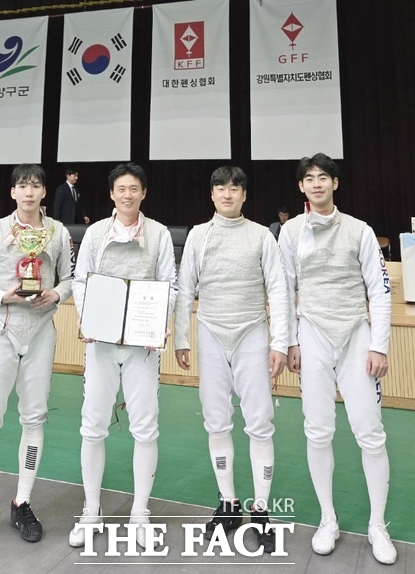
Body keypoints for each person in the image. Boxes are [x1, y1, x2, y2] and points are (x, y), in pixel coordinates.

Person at [278, 153, 396, 564]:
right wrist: (289, 341)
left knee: (370, 431)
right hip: (311, 334)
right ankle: (328, 519)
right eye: (309, 178)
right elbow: (284, 289)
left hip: (355, 335)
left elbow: (379, 290)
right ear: (301, 186)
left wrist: (379, 345)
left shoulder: (360, 230)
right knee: (318, 431)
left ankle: (377, 525)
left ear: (335, 183)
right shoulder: (290, 231)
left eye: (323, 177)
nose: (316, 184)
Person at [0, 164, 74, 558]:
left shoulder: (58, 232)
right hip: (2, 333)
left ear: (44, 192)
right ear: (13, 192)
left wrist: (56, 294)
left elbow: (72, 279)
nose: (29, 192)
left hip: (41, 334)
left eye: (36, 185)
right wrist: (2, 295)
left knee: (34, 419)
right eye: (23, 186)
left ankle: (22, 502)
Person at [174, 166, 288, 554]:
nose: (227, 194)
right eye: (221, 188)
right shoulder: (198, 235)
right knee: (216, 420)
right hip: (210, 333)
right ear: (212, 194)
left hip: (252, 332)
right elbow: (185, 288)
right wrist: (182, 338)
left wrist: (280, 342)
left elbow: (279, 289)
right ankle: (228, 503)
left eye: (235, 188)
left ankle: (261, 509)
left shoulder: (261, 236)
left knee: (260, 422)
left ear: (244, 195)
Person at [69, 162, 177, 549]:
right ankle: (91, 510)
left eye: (134, 189)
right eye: (121, 189)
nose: (127, 195)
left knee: (145, 428)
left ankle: (139, 512)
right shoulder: (96, 233)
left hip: (141, 348)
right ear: (112, 194)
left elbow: (170, 284)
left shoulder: (159, 234)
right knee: (92, 426)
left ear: (143, 193)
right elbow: (81, 280)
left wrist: (160, 321)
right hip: (101, 343)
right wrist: (87, 318)